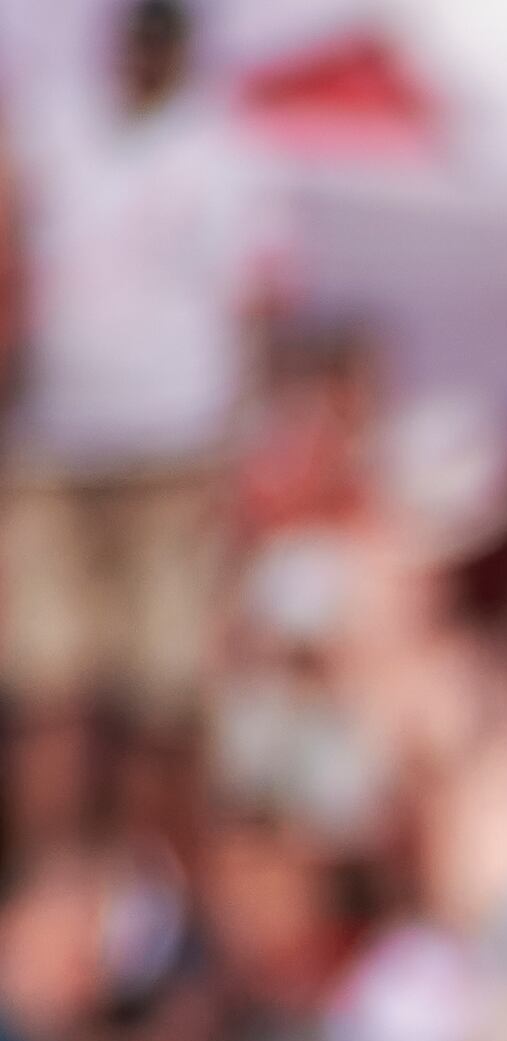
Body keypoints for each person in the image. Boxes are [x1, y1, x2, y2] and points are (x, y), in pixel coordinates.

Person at [4, 0, 282, 861]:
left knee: (160, 698)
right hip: (51, 446)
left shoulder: (226, 154)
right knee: (48, 690)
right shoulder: (54, 132)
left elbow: (253, 306)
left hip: (173, 448)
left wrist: (239, 452)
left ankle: (135, 897)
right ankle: (44, 896)